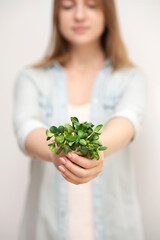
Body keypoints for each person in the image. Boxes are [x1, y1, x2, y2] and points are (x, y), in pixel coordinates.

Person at [13, 0, 148, 239]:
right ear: (57, 15)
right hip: (47, 229)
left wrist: (96, 151)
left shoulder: (130, 77)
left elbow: (127, 122)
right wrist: (57, 151)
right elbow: (26, 128)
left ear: (107, 14)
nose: (79, 15)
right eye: (67, 6)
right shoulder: (32, 77)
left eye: (91, 5)